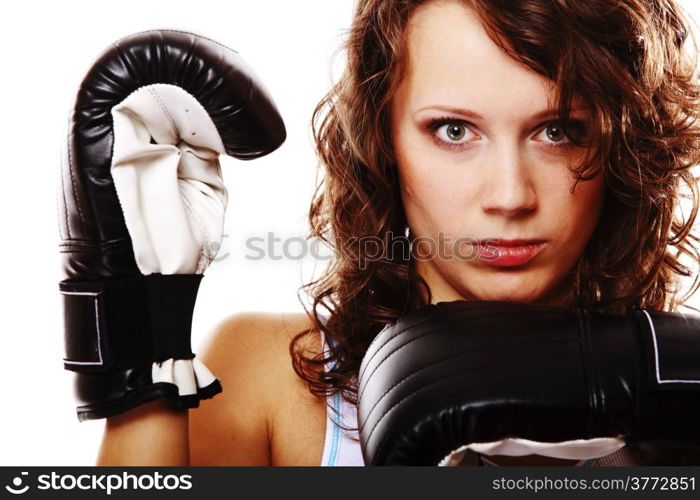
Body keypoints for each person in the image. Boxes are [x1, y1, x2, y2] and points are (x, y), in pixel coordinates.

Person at [96, 0, 700, 466]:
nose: (511, 197)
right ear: (382, 141)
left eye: (559, 131)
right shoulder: (269, 381)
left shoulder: (682, 395)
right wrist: (146, 318)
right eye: (454, 132)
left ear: (628, 145)